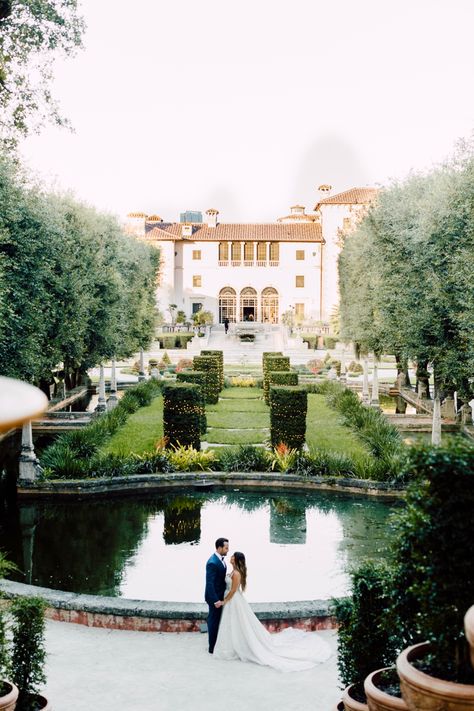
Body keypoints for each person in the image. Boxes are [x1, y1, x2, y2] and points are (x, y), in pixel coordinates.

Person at [213, 552, 331, 672]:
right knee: (232, 623)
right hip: (231, 601)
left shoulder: (237, 574)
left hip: (233, 600)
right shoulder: (232, 571)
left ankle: (239, 646)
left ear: (237, 560)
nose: (231, 557)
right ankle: (232, 645)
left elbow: (233, 591)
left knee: (237, 622)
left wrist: (224, 601)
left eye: (233, 556)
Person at [204, 537, 229, 654]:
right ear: (219, 548)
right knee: (213, 621)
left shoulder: (221, 560)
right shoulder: (212, 563)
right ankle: (212, 648)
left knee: (216, 620)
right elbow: (209, 584)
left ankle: (216, 644)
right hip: (215, 598)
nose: (228, 550)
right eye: (226, 548)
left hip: (220, 596)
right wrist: (215, 600)